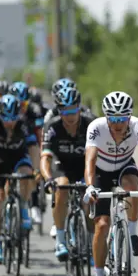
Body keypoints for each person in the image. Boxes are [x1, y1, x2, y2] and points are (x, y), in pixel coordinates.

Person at [84, 91, 138, 276]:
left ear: (129, 116)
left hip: (124, 167)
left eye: (123, 118)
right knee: (101, 225)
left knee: (132, 185)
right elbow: (90, 160)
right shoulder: (96, 127)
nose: (118, 123)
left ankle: (133, 234)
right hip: (100, 171)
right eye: (113, 118)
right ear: (106, 116)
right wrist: (90, 186)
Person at [40, 86, 95, 260]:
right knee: (61, 186)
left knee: (90, 201)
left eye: (74, 110)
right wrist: (48, 178)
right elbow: (45, 158)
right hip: (61, 164)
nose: (70, 115)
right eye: (65, 111)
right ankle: (61, 240)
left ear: (79, 107)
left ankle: (92, 243)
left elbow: (100, 155)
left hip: (83, 165)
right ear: (59, 110)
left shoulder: (90, 123)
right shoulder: (52, 126)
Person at [0, 94, 39, 264]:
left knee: (26, 173)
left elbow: (33, 147)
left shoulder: (23, 124)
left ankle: (23, 207)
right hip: (0, 160)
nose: (9, 122)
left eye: (13, 118)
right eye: (6, 118)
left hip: (18, 157)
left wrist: (36, 170)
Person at [8, 81, 44, 226]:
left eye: (24, 104)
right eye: (19, 104)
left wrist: (43, 154)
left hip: (30, 143)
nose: (22, 108)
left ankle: (34, 204)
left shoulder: (34, 110)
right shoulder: (6, 110)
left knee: (33, 173)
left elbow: (40, 134)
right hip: (10, 147)